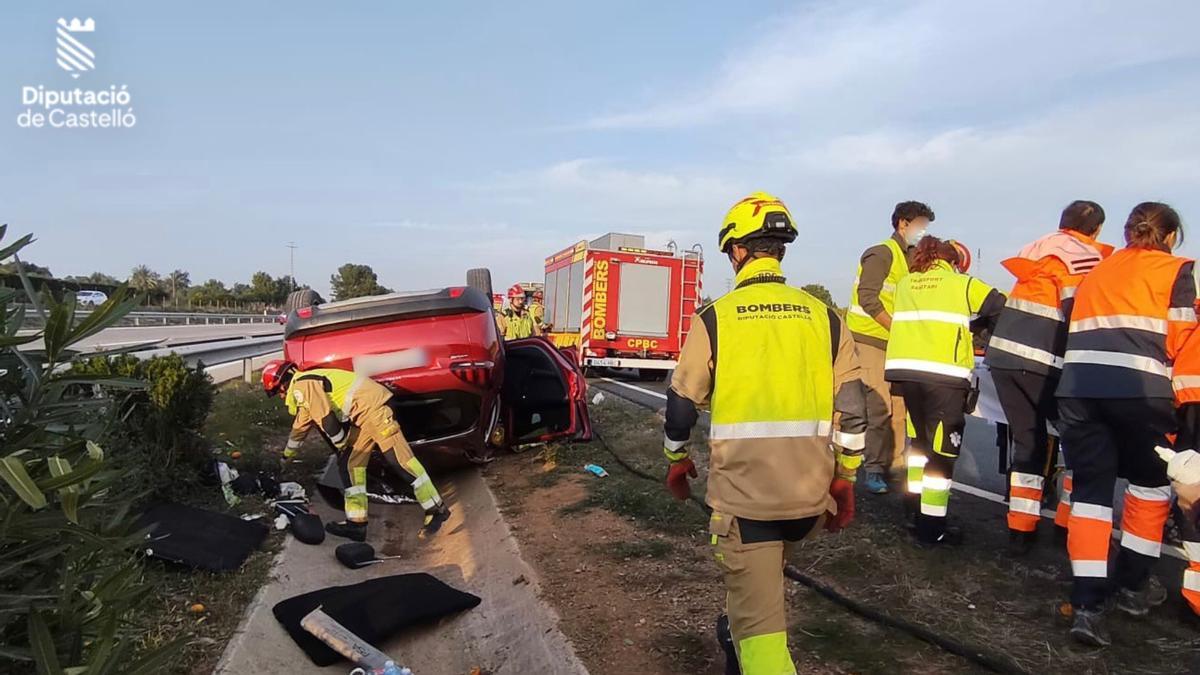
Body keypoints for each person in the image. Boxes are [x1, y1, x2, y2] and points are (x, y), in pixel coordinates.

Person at [663, 192, 867, 675]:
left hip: (745, 508)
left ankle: (747, 644)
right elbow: (854, 411)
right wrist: (846, 478)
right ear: (781, 250)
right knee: (757, 591)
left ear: (737, 251)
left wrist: (675, 461)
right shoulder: (824, 317)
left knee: (765, 649)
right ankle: (737, 631)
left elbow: (679, 406)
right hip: (808, 503)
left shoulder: (716, 317)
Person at [1055, 202, 1196, 647]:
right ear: (1171, 235)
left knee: (1092, 496)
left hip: (1079, 389)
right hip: (1142, 391)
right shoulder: (1175, 271)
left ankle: (1087, 604)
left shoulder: (1097, 269)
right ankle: (1133, 586)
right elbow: (1184, 339)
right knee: (1150, 489)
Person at [985, 201, 1113, 555]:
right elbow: (1078, 312)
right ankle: (1067, 523)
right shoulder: (1085, 257)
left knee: (1028, 441)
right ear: (1097, 230)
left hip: (1005, 357)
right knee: (1079, 441)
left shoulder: (1039, 250)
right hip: (1045, 360)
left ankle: (1021, 529)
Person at [884, 236, 1005, 546]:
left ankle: (913, 508)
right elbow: (1001, 306)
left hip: (907, 374)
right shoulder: (960, 283)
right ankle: (932, 527)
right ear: (952, 260)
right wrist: (974, 329)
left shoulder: (907, 285)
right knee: (943, 454)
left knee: (920, 445)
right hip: (945, 376)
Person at [261, 360, 450, 541]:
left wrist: (341, 444)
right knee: (350, 465)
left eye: (277, 392)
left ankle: (437, 509)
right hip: (363, 416)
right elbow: (300, 428)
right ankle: (356, 524)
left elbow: (327, 420)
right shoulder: (306, 387)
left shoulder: (303, 386)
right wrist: (286, 456)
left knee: (400, 461)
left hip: (374, 410)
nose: (281, 397)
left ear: (282, 385)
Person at [848, 201, 935, 495]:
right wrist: (896, 329)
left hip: (896, 344)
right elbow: (868, 298)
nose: (923, 233)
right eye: (920, 225)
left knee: (899, 408)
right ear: (902, 224)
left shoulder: (910, 258)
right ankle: (873, 468)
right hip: (870, 340)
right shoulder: (882, 253)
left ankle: (895, 465)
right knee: (879, 407)